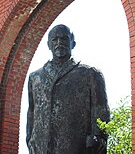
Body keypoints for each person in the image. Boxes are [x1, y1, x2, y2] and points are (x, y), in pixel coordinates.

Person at [26, 24, 110, 154]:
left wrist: (98, 138)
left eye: (64, 38)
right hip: (40, 148)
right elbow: (31, 112)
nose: (59, 43)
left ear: (73, 43)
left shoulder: (90, 74)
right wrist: (30, 140)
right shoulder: (35, 77)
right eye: (54, 39)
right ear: (48, 45)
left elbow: (100, 110)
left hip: (77, 147)